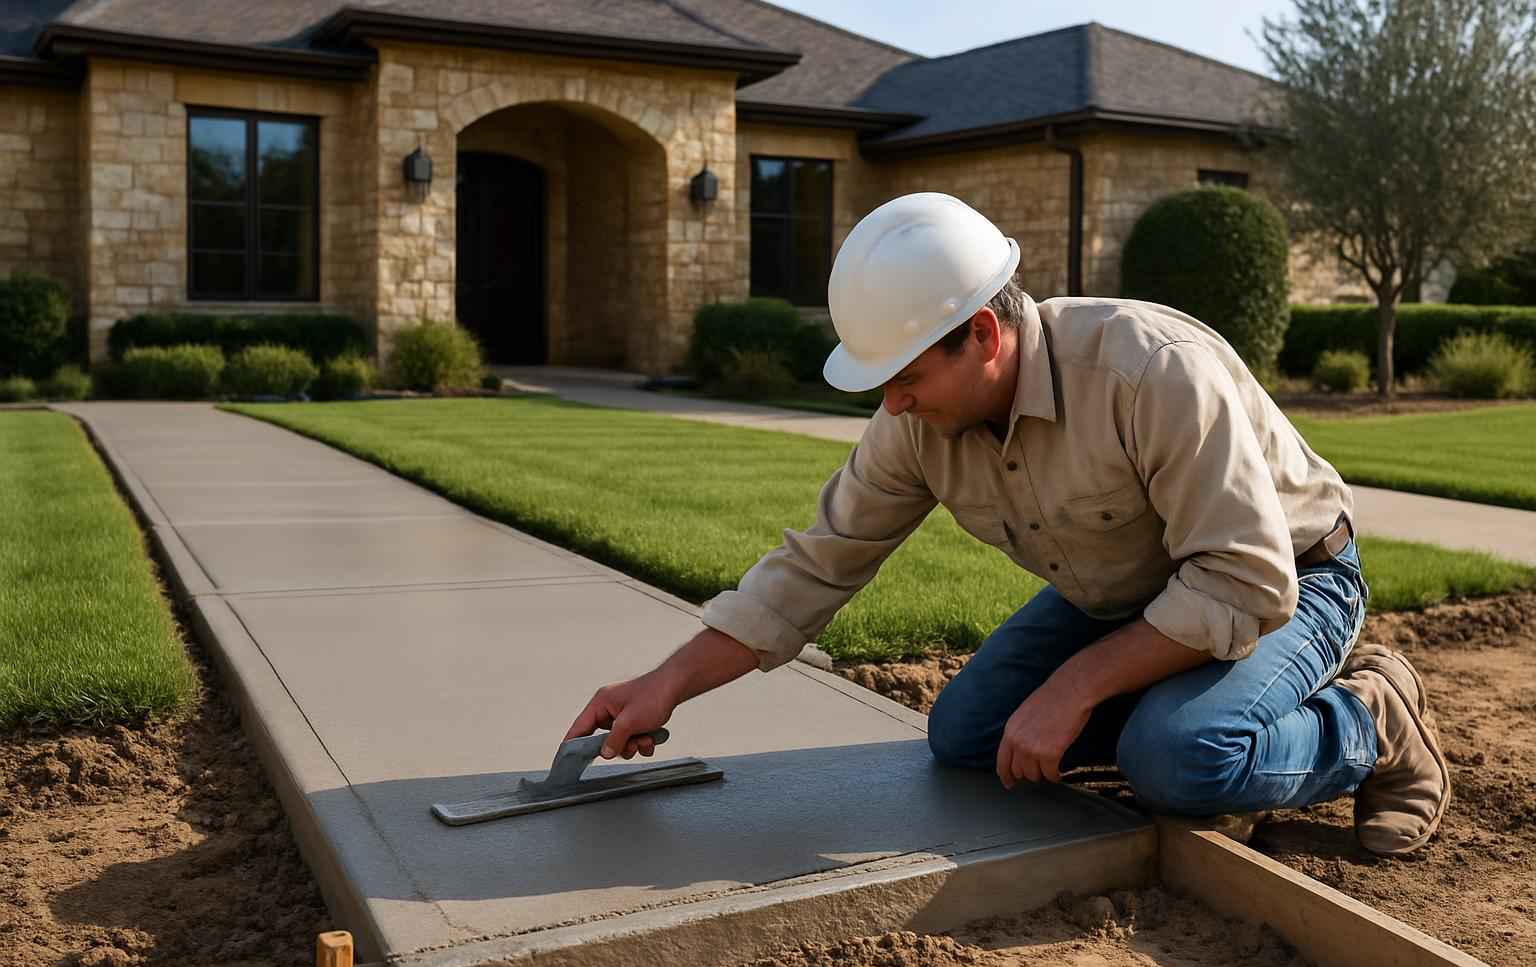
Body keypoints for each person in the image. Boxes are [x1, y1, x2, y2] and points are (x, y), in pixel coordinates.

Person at [564, 192, 1449, 856]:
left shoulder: (1150, 373)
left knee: (1179, 761)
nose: (892, 402)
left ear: (983, 334)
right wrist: (666, 683)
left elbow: (1244, 579)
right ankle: (1188, 710)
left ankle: (1374, 723)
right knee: (966, 738)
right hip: (1132, 593)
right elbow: (815, 566)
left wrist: (1076, 688)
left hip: (1289, 578)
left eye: (905, 375)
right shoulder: (916, 424)